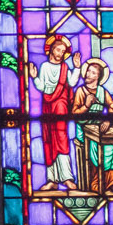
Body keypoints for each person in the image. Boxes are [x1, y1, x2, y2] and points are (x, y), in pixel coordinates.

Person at [27, 34, 78, 192]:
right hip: (47, 106)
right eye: (58, 49)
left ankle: (67, 178)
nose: (60, 53)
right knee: (48, 140)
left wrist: (76, 67)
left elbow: (72, 82)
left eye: (63, 51)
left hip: (61, 105)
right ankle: (52, 179)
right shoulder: (45, 67)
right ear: (51, 49)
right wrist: (35, 78)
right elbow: (42, 87)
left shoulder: (65, 68)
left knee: (61, 138)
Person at [72, 57, 113, 196]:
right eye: (88, 71)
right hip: (84, 129)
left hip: (99, 126)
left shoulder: (102, 91)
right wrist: (86, 105)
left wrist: (108, 120)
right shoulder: (81, 91)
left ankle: (112, 183)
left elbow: (112, 106)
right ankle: (96, 183)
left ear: (98, 77)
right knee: (97, 146)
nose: (87, 74)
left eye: (92, 73)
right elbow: (74, 113)